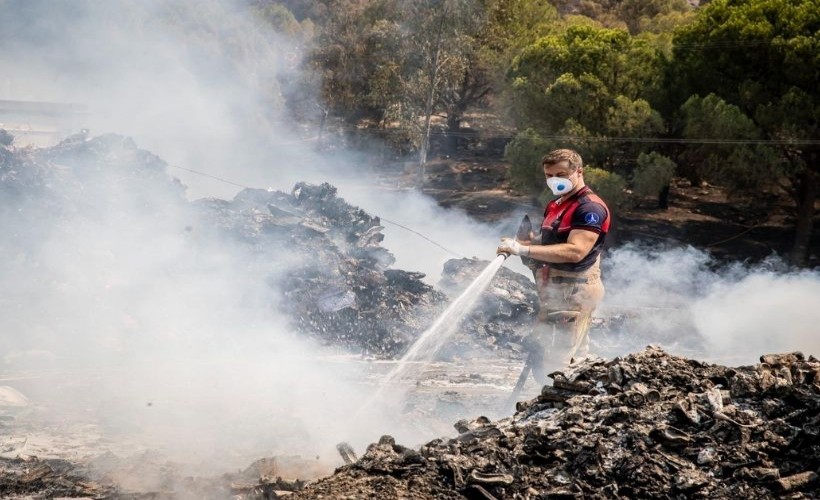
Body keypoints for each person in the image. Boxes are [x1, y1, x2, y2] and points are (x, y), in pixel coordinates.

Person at [497, 148, 610, 384]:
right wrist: (524, 243)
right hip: (555, 292)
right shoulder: (557, 204)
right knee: (570, 360)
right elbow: (552, 241)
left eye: (560, 174)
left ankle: (561, 410)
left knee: (557, 364)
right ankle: (570, 407)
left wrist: (524, 250)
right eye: (549, 175)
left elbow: (575, 251)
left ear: (579, 171)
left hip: (573, 293)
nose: (553, 180)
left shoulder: (590, 209)